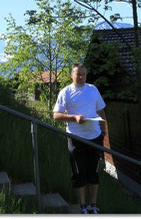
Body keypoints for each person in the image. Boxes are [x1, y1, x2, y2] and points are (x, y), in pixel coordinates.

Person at [53, 62, 107, 214]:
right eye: (78, 74)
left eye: (84, 74)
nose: (81, 76)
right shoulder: (66, 92)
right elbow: (56, 116)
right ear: (72, 75)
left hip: (95, 137)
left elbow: (101, 111)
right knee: (78, 173)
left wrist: (103, 131)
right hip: (76, 138)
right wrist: (74, 117)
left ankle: (93, 205)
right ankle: (82, 206)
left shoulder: (93, 89)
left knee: (93, 173)